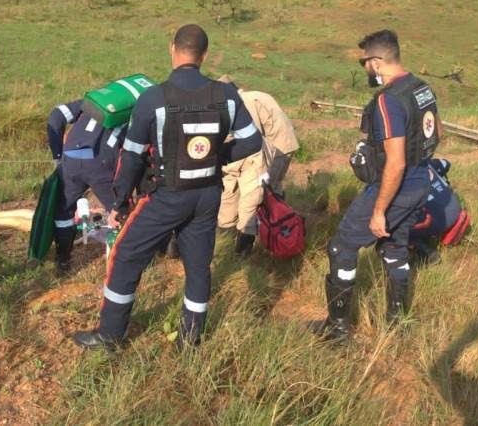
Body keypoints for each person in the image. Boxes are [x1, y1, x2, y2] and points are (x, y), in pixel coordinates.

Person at [72, 24, 263, 351]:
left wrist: (119, 202)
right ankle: (191, 340)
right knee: (198, 266)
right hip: (207, 196)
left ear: (172, 48)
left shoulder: (154, 98)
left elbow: (131, 157)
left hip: (166, 196)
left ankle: (110, 335)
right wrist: (216, 159)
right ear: (204, 55)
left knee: (125, 255)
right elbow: (251, 141)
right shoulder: (227, 95)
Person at [310, 29, 442, 341]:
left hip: (395, 186)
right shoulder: (423, 89)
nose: (365, 68)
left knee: (342, 246)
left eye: (364, 63)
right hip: (421, 181)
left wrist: (379, 210)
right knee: (395, 247)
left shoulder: (388, 101)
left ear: (377, 62)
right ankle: (398, 323)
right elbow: (438, 135)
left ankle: (338, 328)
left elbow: (395, 162)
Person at [43, 93, 128, 273]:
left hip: (71, 159)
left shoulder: (91, 102)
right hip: (101, 164)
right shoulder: (137, 108)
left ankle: (63, 260)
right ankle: (125, 260)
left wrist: (58, 157)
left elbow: (56, 115)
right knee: (121, 212)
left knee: (63, 212)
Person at [216, 76, 299, 255]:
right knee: (262, 188)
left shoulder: (245, 103)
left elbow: (250, 140)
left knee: (266, 190)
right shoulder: (250, 97)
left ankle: (277, 230)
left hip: (279, 148)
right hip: (277, 143)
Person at [408, 158, 469, 265]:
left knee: (388, 228)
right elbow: (446, 164)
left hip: (438, 221)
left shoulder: (395, 174)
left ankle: (426, 252)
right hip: (455, 208)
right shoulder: (424, 161)